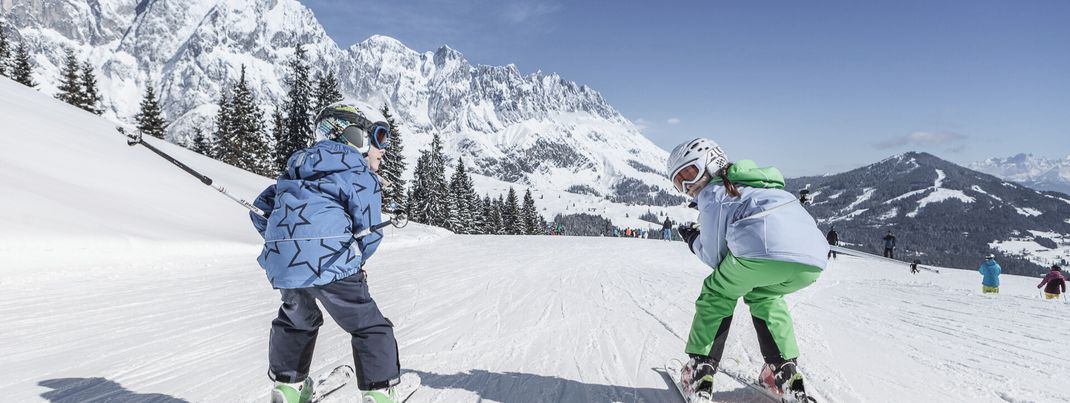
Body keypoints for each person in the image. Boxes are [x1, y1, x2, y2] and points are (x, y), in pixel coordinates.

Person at [251, 103, 402, 403]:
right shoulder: (359, 173)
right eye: (380, 137)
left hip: (286, 266)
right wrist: (356, 260)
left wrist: (289, 244)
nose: (384, 149)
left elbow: (260, 211)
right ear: (355, 136)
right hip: (333, 260)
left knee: (297, 321)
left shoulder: (295, 168)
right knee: (369, 326)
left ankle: (288, 387)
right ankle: (378, 390)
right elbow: (369, 231)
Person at [666, 138, 827, 401]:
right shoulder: (760, 184)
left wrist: (693, 240)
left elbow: (715, 257)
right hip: (811, 261)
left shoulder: (714, 194)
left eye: (689, 173)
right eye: (678, 181)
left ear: (712, 163)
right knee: (764, 295)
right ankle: (783, 373)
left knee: (717, 291)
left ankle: (699, 372)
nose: (687, 186)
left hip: (761, 251)